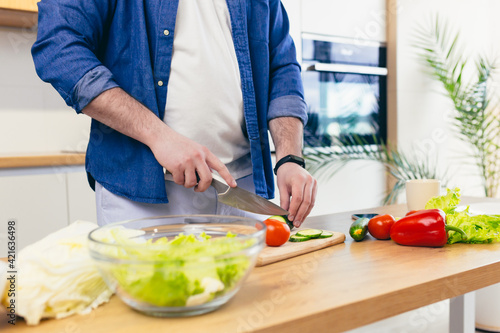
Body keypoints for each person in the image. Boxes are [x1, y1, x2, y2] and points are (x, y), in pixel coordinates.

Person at [32, 0, 317, 226]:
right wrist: (159, 136)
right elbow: (58, 47)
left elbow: (282, 67)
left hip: (241, 191)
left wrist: (289, 157)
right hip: (142, 198)